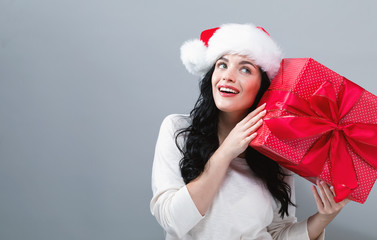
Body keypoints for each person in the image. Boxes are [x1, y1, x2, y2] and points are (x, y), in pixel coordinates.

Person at [150, 23, 349, 240]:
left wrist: (325, 217)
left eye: (245, 69)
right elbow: (173, 222)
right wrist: (226, 152)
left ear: (262, 86)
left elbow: (278, 233)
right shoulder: (178, 129)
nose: (228, 76)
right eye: (222, 65)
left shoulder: (275, 150)